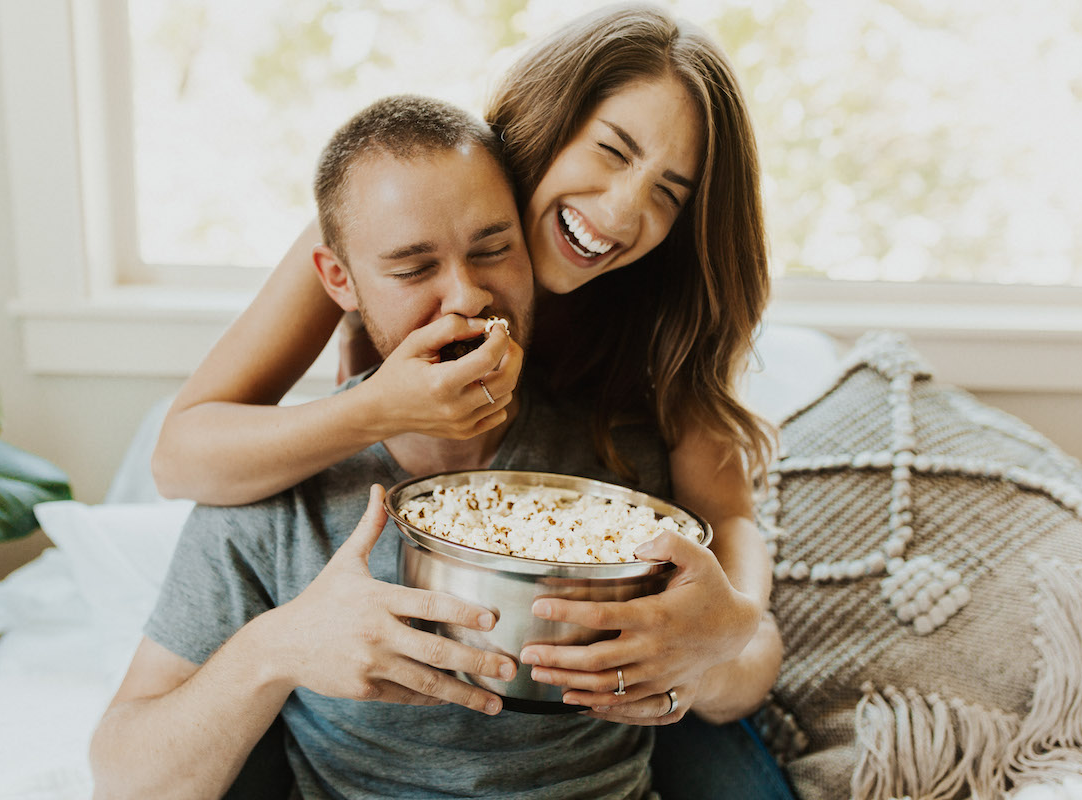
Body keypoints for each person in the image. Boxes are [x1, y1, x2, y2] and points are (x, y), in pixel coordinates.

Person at [91, 95, 783, 799]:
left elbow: (741, 630)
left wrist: (711, 651)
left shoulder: (629, 456)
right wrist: (277, 648)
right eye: (414, 268)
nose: (466, 297)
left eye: (493, 249)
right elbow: (125, 779)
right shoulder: (269, 482)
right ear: (340, 279)